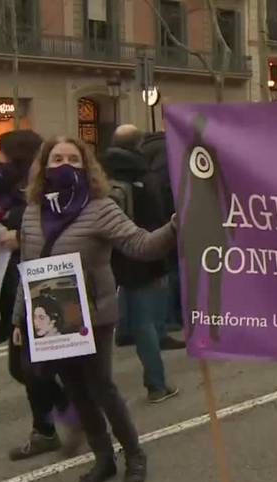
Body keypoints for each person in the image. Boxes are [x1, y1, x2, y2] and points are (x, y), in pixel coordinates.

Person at [12, 136, 177, 482]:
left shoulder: (100, 207)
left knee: (102, 389)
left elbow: (140, 245)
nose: (65, 165)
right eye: (57, 159)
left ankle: (134, 454)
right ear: (44, 165)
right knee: (77, 392)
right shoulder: (32, 211)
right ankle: (103, 458)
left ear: (87, 166)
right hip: (53, 321)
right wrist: (18, 319)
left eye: (74, 159)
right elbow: (26, 265)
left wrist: (174, 227)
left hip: (94, 316)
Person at [0, 130, 83, 461]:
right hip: (8, 280)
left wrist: (21, 234)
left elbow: (69, 228)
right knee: (25, 366)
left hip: (36, 284)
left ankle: (66, 414)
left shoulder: (44, 194)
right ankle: (48, 426)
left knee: (29, 364)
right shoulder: (7, 194)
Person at [101, 125, 180, 403]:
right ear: (139, 144)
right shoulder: (143, 174)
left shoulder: (100, 172)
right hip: (141, 252)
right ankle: (156, 384)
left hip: (107, 255)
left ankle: (121, 337)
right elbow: (155, 217)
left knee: (103, 324)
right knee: (146, 322)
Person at [139, 131, 184, 332]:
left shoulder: (143, 152)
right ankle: (171, 317)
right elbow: (171, 188)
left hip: (145, 219)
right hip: (168, 218)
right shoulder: (169, 152)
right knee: (173, 268)